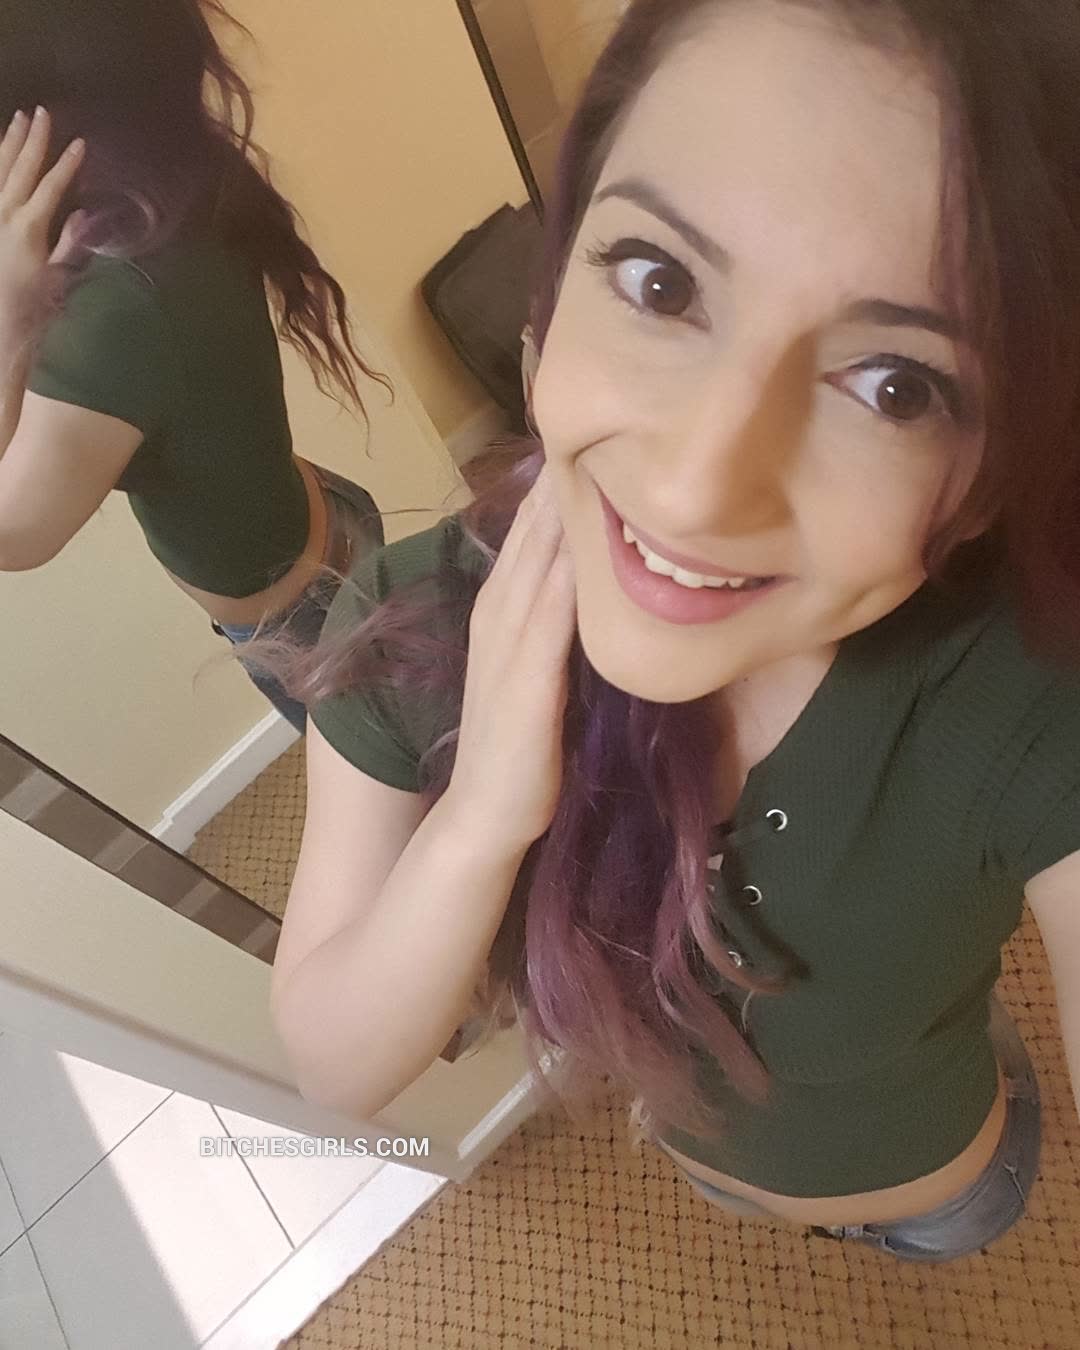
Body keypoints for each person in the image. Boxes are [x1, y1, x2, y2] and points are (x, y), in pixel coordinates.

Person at [268, 0, 1080, 1263]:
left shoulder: (1023, 684)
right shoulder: (419, 626)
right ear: (552, 300)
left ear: (989, 478)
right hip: (707, 1169)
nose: (699, 490)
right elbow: (335, 1063)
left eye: (896, 385)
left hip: (943, 1193)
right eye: (662, 282)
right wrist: (482, 814)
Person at [0, 0, 386, 733]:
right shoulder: (164, 196)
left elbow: (14, 537)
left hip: (306, 625)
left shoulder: (117, 308)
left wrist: (10, 333)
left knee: (424, 787)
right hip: (325, 526)